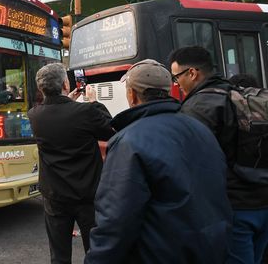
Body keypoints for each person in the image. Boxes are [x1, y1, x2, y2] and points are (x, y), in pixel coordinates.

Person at [85, 59, 232, 263]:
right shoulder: (200, 129)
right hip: (212, 247)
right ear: (168, 91)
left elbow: (116, 219)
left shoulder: (129, 140)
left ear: (132, 95)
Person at [169, 46, 268, 263]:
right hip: (262, 201)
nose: (177, 84)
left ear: (192, 73)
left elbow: (193, 167)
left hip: (234, 209)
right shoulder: (235, 93)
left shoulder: (198, 107)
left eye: (177, 78)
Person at [27, 63, 114, 264]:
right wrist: (94, 102)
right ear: (66, 83)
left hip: (54, 195)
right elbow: (110, 130)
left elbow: (59, 114)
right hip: (87, 195)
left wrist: (68, 102)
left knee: (59, 255)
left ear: (41, 88)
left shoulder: (34, 115)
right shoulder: (86, 112)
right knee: (95, 250)